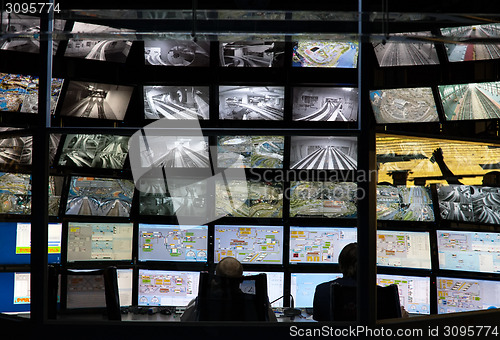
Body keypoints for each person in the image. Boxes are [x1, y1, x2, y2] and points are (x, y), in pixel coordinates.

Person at [312, 243, 409, 321]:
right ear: (369, 266)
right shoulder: (381, 294)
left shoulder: (322, 290)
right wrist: (400, 319)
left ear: (340, 265)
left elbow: (319, 326)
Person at [181, 257, 277, 321]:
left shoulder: (202, 302)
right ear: (242, 279)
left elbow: (184, 322)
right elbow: (273, 323)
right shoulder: (257, 302)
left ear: (216, 279)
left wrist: (211, 291)